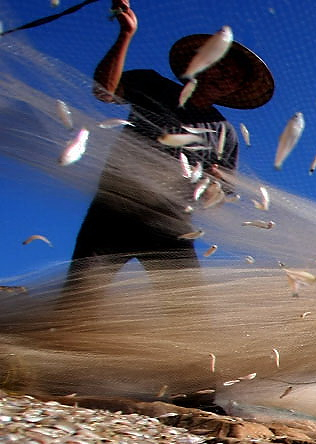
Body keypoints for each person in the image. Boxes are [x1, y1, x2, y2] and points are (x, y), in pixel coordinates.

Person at [63, 0, 273, 299]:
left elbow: (220, 195)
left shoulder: (224, 132)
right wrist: (126, 33)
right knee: (78, 298)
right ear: (205, 63)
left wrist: (215, 185)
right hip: (114, 209)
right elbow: (103, 91)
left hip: (171, 223)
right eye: (223, 67)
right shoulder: (154, 85)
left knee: (186, 310)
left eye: (235, 79)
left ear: (234, 90)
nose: (227, 79)